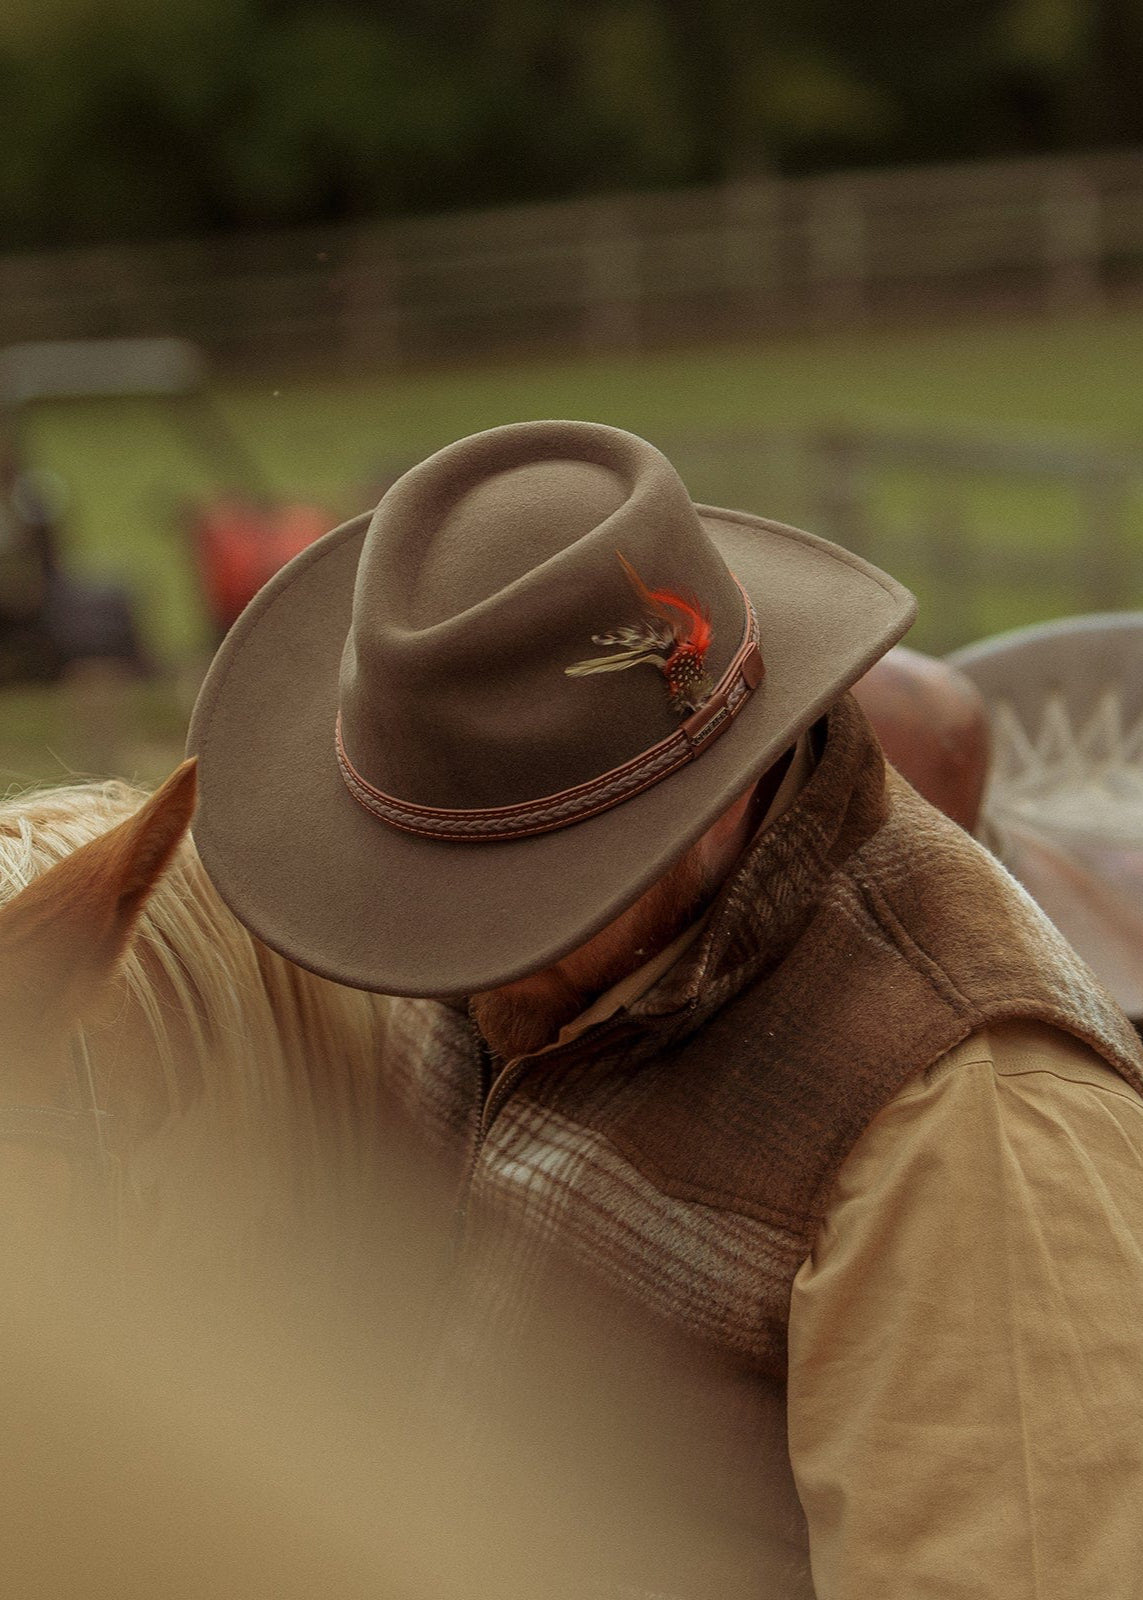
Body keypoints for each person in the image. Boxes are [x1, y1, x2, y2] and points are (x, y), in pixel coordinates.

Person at [188, 420, 1143, 1600]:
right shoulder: (495, 981)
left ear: (702, 804)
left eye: (516, 896)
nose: (452, 954)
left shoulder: (964, 1129)